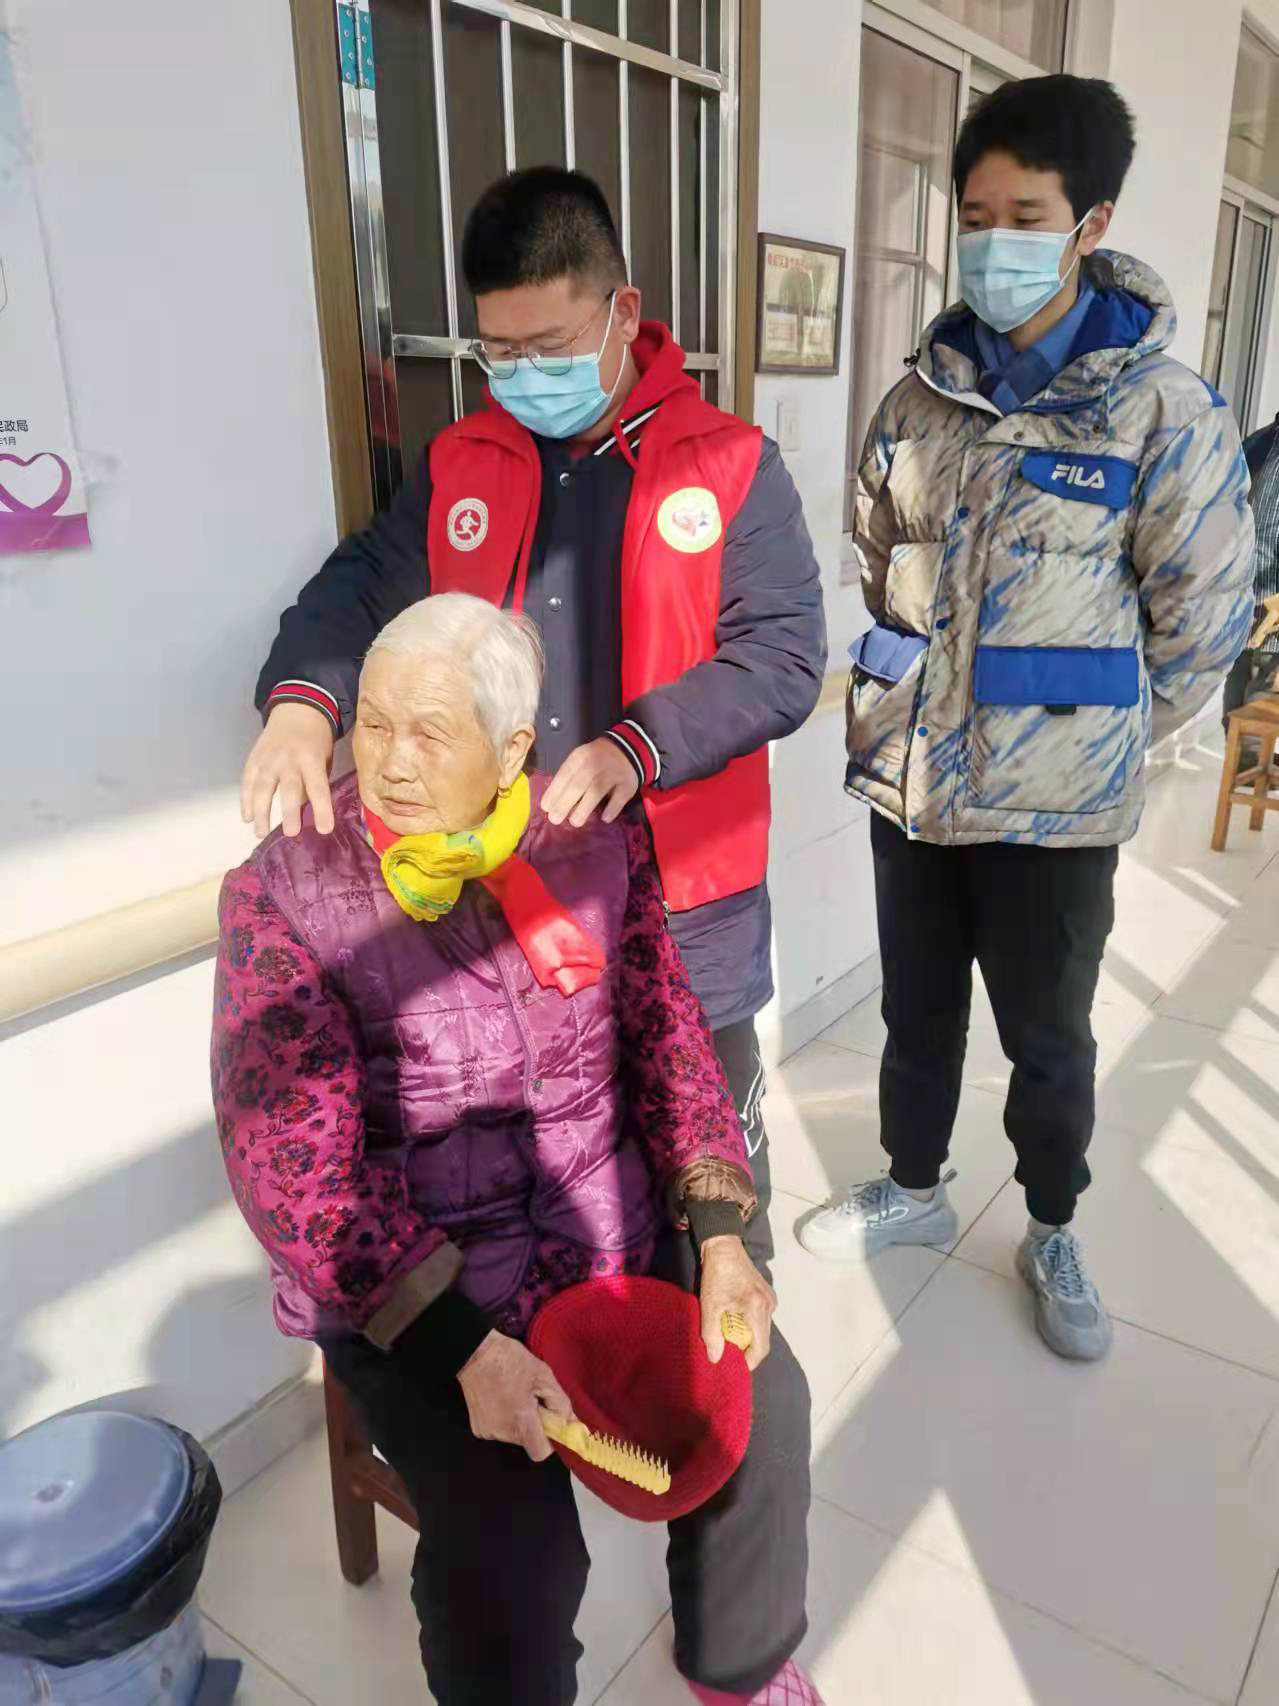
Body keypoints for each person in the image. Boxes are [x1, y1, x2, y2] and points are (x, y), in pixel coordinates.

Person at [212, 595, 818, 1706]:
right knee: (513, 1557)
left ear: (511, 752)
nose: (390, 761)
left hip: (606, 1237)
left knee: (764, 1406)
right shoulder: (288, 888)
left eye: (429, 732)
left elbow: (668, 1034)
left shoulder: (591, 839)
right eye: (372, 724)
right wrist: (460, 1345)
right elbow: (291, 1165)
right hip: (417, 1292)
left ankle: (738, 1665)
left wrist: (721, 1233)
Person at [240, 168, 827, 1262]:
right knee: (563, 1186)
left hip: (683, 906)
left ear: (622, 313)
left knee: (710, 1195)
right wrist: (304, 704)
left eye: (548, 346)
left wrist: (637, 744)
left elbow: (782, 658)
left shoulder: (730, 465)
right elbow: (359, 589)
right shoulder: (463, 463)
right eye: (498, 352)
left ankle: (719, 1345)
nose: (522, 375)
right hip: (515, 890)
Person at [800, 76, 1255, 1361]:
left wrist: (1091, 737)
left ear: (1089, 223)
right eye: (974, 214)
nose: (991, 240)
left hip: (1054, 812)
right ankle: (914, 1180)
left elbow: (1203, 621)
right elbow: (878, 552)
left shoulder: (1160, 411)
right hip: (912, 779)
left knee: (1048, 1038)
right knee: (914, 1010)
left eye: (1024, 216)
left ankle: (1052, 1221)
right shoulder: (917, 396)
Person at [1223, 410, 1279, 729]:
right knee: (1234, 726)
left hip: (1275, 635)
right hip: (1241, 621)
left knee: (1257, 733)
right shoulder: (1256, 444)